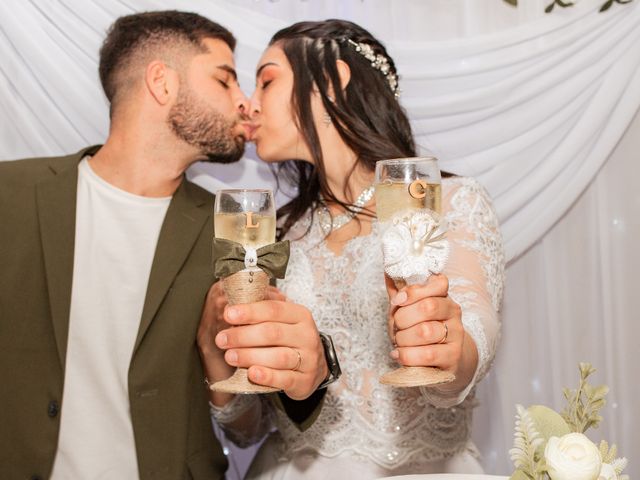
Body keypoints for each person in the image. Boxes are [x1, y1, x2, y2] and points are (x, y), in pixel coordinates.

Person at [0, 11, 333, 480]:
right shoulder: (9, 196)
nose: (245, 103)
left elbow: (249, 428)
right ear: (162, 82)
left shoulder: (241, 230)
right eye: (225, 81)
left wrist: (222, 369)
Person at [209, 19, 505, 478]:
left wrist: (451, 347)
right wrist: (216, 351)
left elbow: (473, 320)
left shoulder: (452, 201)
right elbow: (250, 428)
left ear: (333, 80)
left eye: (267, 80)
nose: (249, 102)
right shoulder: (273, 235)